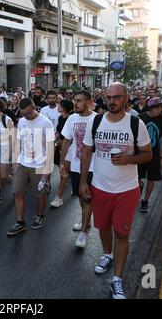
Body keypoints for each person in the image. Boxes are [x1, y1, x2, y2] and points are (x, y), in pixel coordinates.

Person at [79, 82, 152, 299]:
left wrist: (129, 159)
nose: (112, 101)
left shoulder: (135, 123)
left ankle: (117, 279)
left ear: (126, 98)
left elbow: (148, 154)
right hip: (99, 188)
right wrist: (83, 182)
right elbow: (86, 152)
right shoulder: (96, 121)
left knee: (122, 233)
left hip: (126, 190)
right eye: (109, 97)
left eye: (117, 97)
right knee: (102, 227)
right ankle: (107, 255)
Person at [7, 98, 55, 236]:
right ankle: (20, 222)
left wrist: (47, 171)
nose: (26, 116)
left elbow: (51, 148)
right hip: (23, 163)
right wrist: (15, 161)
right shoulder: (22, 121)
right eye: (23, 114)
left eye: (28, 113)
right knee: (17, 192)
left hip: (40, 165)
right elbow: (19, 141)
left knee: (40, 194)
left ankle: (40, 216)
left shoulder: (46, 123)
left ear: (34, 108)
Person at [59, 90, 97, 248]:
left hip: (93, 166)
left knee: (87, 197)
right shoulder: (72, 118)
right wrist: (62, 163)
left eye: (79, 100)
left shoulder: (97, 119)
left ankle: (83, 233)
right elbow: (66, 141)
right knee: (81, 198)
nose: (76, 103)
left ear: (88, 102)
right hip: (75, 165)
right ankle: (85, 219)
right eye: (75, 100)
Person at [138, 97, 162, 213]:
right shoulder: (140, 118)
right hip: (139, 153)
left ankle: (145, 200)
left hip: (154, 154)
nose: (159, 110)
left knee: (152, 178)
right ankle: (138, 191)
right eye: (157, 107)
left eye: (161, 107)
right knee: (137, 177)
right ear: (150, 108)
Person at [49, 99, 73, 208]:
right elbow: (59, 132)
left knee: (63, 171)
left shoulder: (70, 119)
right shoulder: (60, 118)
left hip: (69, 148)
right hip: (60, 148)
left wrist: (62, 142)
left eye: (60, 105)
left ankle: (59, 198)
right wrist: (53, 139)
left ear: (65, 108)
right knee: (61, 169)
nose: (58, 106)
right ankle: (72, 183)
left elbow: (71, 137)